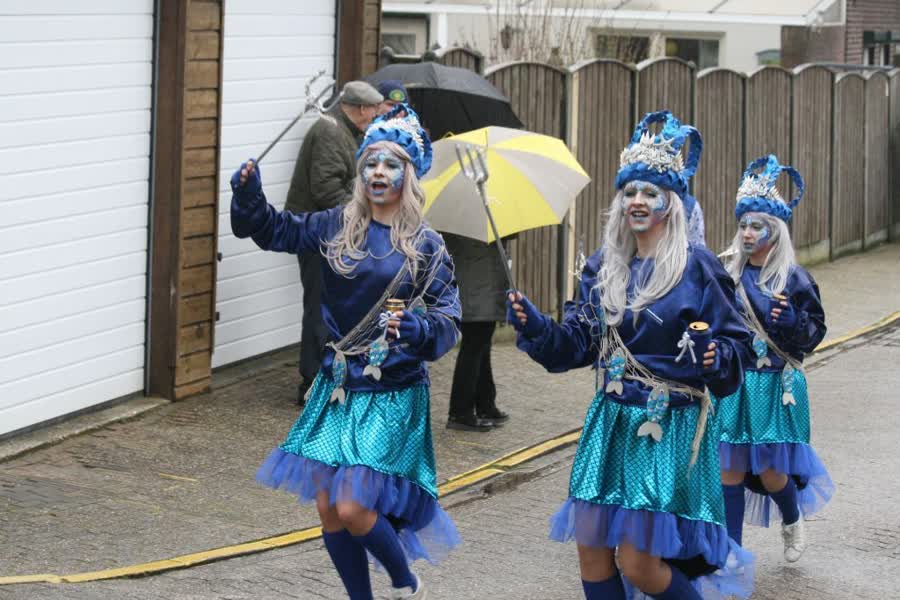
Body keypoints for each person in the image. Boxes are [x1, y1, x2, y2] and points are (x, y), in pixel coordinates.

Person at [507, 110, 754, 600]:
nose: (637, 201)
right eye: (629, 192)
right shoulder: (604, 268)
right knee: (592, 549)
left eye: (649, 192)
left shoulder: (698, 268)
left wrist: (713, 357)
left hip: (668, 426)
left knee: (640, 564)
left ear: (670, 203)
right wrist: (536, 326)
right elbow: (576, 345)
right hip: (610, 424)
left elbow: (737, 349)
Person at [232, 104, 460, 599]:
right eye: (371, 162)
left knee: (354, 507)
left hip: (392, 391)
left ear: (408, 174)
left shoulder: (426, 245)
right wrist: (250, 198)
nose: (378, 172)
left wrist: (416, 327)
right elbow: (279, 230)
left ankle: (406, 584)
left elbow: (449, 318)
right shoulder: (337, 224)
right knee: (328, 508)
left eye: (390, 164)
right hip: (337, 386)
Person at [716, 155, 834, 563]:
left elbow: (814, 334)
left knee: (770, 472)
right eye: (743, 225)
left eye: (757, 225)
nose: (747, 233)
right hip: (735, 382)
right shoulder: (726, 275)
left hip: (775, 385)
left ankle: (792, 516)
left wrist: (792, 321)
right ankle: (732, 551)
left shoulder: (795, 278)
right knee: (729, 468)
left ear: (775, 231)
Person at [284, 80, 383, 406]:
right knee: (320, 308)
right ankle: (312, 384)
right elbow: (325, 190)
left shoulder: (348, 132)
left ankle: (328, 379)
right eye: (373, 111)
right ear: (360, 108)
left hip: (333, 235)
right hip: (318, 236)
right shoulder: (330, 132)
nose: (375, 117)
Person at [443, 234, 511, 431]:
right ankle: (460, 412)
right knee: (473, 349)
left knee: (480, 347)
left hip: (478, 289)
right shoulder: (477, 224)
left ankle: (485, 404)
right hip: (479, 290)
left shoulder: (459, 222)